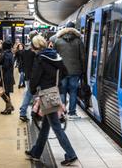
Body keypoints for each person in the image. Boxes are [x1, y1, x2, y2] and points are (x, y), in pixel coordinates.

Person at [25, 35, 78, 166]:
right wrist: (55, 82)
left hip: (46, 95)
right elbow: (65, 72)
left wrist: (32, 90)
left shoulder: (40, 59)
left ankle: (71, 155)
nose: (31, 48)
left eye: (32, 46)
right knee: (46, 126)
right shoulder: (55, 56)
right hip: (55, 92)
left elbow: (35, 77)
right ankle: (36, 152)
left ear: (36, 46)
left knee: (56, 126)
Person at [54, 21, 85, 119]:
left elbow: (54, 56)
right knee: (73, 92)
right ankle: (72, 113)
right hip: (75, 72)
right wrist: (83, 70)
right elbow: (83, 57)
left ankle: (62, 113)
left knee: (62, 91)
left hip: (62, 71)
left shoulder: (57, 41)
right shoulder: (79, 41)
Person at [0, 40, 15, 115]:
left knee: (1, 91)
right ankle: (8, 107)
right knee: (5, 92)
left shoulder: (5, 54)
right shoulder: (10, 53)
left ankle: (9, 106)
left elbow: (5, 65)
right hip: (8, 75)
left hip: (4, 76)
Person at [19, 30, 38, 122]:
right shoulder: (35, 50)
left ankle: (26, 111)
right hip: (35, 76)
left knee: (29, 93)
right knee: (32, 94)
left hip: (28, 75)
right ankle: (27, 112)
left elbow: (23, 63)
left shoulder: (25, 49)